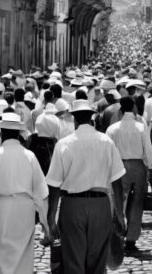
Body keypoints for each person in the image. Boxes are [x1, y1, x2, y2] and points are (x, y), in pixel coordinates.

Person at [46, 100, 126, 274]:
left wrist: (51, 216)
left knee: (73, 258)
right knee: (98, 260)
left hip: (73, 206)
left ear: (74, 119)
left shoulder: (64, 144)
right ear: (92, 118)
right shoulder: (106, 141)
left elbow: (54, 184)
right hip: (100, 205)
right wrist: (120, 214)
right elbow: (118, 181)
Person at [0, 112, 49, 274]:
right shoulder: (30, 156)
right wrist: (45, 222)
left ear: (1, 132)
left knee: (2, 254)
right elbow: (41, 192)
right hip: (25, 209)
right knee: (24, 254)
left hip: (2, 208)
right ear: (18, 133)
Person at [106, 96, 152, 251]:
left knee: (119, 201)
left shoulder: (112, 129)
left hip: (119, 167)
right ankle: (132, 238)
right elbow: (148, 149)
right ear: (133, 107)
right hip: (138, 166)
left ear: (120, 109)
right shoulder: (141, 127)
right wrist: (150, 166)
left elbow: (108, 152)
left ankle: (118, 232)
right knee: (137, 202)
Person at [30, 103, 60, 174]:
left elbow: (37, 130)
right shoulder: (56, 119)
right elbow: (57, 134)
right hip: (51, 145)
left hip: (40, 144)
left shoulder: (40, 117)